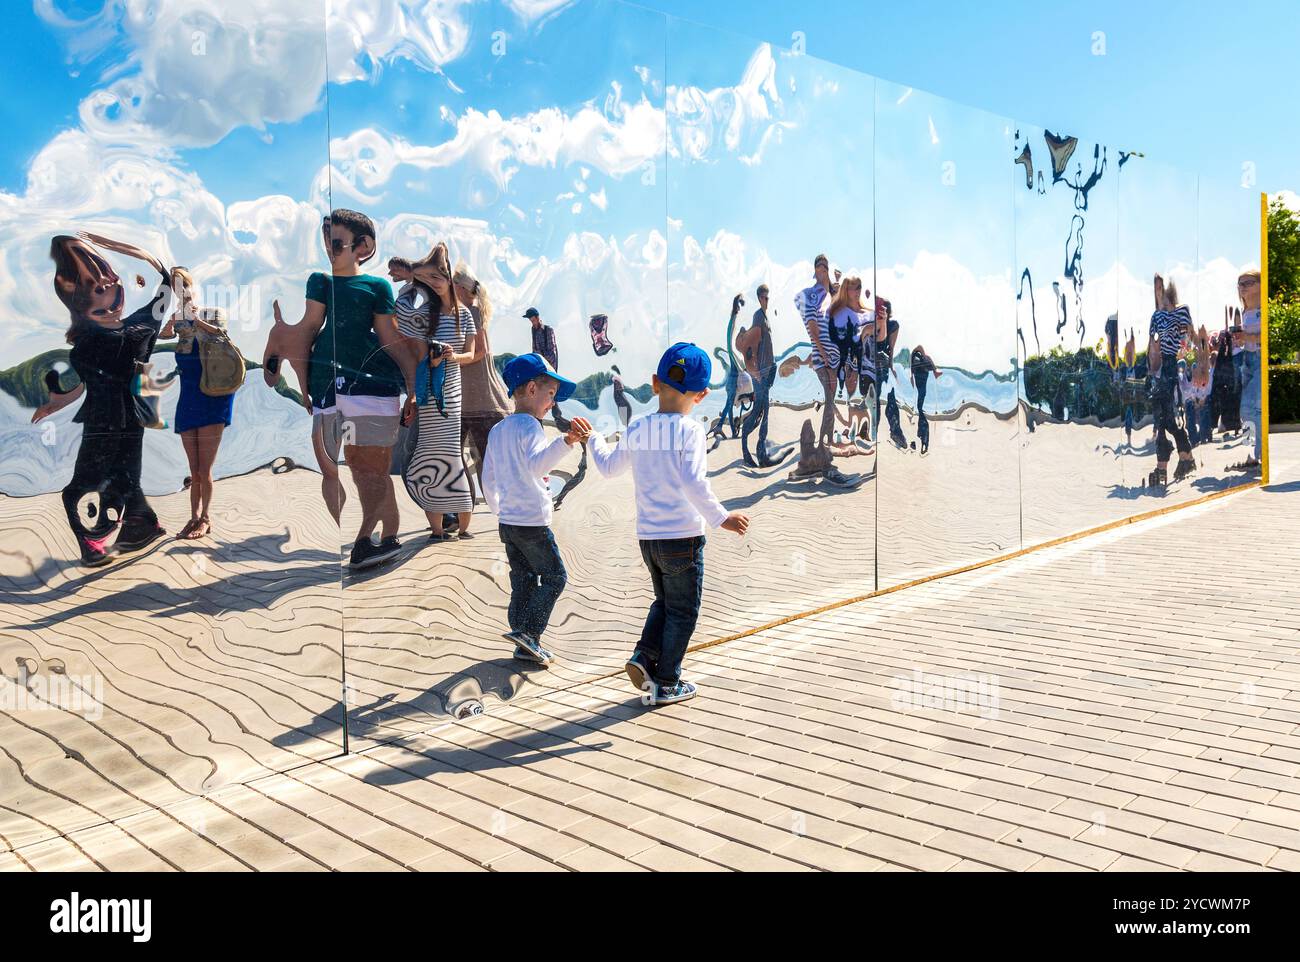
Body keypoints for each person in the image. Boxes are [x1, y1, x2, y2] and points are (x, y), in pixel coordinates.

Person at [587, 343, 750, 705]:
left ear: (655, 383)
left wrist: (593, 439)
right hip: (683, 538)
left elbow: (609, 467)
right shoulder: (690, 431)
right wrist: (722, 517)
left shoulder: (638, 426)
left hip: (649, 539)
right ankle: (667, 681)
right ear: (703, 394)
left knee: (663, 603)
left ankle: (644, 657)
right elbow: (694, 483)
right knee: (684, 610)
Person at [34, 232, 171, 566]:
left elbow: (166, 280)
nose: (109, 282)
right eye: (98, 283)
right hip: (127, 418)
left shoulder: (100, 339)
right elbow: (166, 282)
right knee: (121, 480)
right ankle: (139, 526)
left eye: (109, 278)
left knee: (86, 488)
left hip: (108, 423)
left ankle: (102, 541)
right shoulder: (139, 326)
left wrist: (116, 245)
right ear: (81, 298)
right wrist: (58, 401)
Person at [287, 209, 407, 569]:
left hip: (372, 385)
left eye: (336, 242)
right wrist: (304, 387)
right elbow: (309, 328)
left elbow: (388, 337)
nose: (329, 248)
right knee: (347, 466)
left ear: (363, 246)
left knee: (370, 467)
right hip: (327, 386)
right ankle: (384, 537)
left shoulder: (377, 286)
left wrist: (414, 384)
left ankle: (367, 540)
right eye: (326, 241)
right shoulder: (319, 281)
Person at [481, 354, 590, 666]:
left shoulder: (499, 429)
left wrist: (498, 510)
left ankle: (520, 636)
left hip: (509, 523)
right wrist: (568, 441)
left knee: (524, 579)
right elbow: (537, 465)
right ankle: (530, 634)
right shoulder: (530, 426)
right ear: (531, 389)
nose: (551, 403)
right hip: (532, 523)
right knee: (555, 577)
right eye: (551, 394)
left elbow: (488, 477)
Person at [400, 244, 486, 540]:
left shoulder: (467, 314)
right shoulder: (425, 312)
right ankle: (437, 529)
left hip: (452, 386)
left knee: (450, 453)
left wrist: (451, 356)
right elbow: (403, 319)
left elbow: (473, 353)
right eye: (429, 279)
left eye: (439, 277)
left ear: (450, 278)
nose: (434, 284)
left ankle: (462, 526)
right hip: (429, 387)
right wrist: (413, 279)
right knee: (429, 450)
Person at [158, 268, 234, 539]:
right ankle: (192, 518)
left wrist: (195, 319)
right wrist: (169, 325)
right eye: (176, 289)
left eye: (185, 287)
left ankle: (206, 518)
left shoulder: (210, 312)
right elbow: (161, 336)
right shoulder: (177, 318)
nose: (182, 294)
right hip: (188, 394)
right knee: (193, 470)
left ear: (194, 287)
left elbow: (221, 335)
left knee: (205, 468)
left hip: (214, 395)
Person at [454, 265, 511, 497]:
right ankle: (461, 508)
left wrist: (451, 361)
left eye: (451, 284)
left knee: (484, 463)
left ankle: (497, 510)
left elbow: (481, 351)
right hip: (470, 400)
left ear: (460, 287)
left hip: (478, 401)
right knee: (461, 458)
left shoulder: (472, 311)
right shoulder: (466, 311)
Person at [1146, 275, 1195, 487]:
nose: (1158, 293)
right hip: (1160, 368)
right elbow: (1152, 344)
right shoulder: (1155, 316)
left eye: (1161, 289)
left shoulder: (1180, 311)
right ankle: (1184, 458)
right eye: (1155, 290)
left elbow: (1188, 338)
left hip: (1171, 366)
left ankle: (1169, 464)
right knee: (1163, 418)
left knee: (1165, 418)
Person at [735, 283, 784, 467]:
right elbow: (751, 347)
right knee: (760, 410)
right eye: (764, 297)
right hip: (760, 374)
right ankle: (750, 448)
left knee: (763, 410)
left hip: (766, 371)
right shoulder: (758, 316)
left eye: (768, 297)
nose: (767, 300)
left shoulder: (765, 317)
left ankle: (758, 448)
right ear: (759, 298)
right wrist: (756, 371)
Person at [798, 254, 838, 447]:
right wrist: (825, 358)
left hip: (833, 359)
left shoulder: (830, 295)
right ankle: (823, 443)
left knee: (832, 400)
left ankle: (829, 440)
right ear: (815, 270)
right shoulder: (811, 295)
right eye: (819, 268)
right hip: (824, 359)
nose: (823, 271)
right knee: (829, 399)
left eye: (825, 268)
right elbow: (813, 331)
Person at [1233, 270, 1264, 472]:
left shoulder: (1264, 308)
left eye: (1249, 282)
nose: (1243, 286)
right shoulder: (1245, 312)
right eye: (1240, 284)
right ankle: (1252, 453)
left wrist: (1247, 337)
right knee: (1246, 415)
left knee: (1248, 408)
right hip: (1248, 361)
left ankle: (1261, 453)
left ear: (1261, 284)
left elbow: (1265, 337)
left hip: (1260, 360)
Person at [708, 294, 745, 444]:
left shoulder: (738, 358)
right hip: (732, 380)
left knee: (729, 404)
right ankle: (720, 426)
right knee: (729, 404)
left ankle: (731, 430)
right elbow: (730, 335)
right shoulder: (734, 354)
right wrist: (735, 312)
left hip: (732, 381)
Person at [910, 344, 942, 455]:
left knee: (920, 411)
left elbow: (919, 347)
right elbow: (919, 347)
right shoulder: (917, 359)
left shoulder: (920, 362)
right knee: (919, 410)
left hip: (921, 389)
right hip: (920, 389)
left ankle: (923, 441)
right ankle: (921, 440)